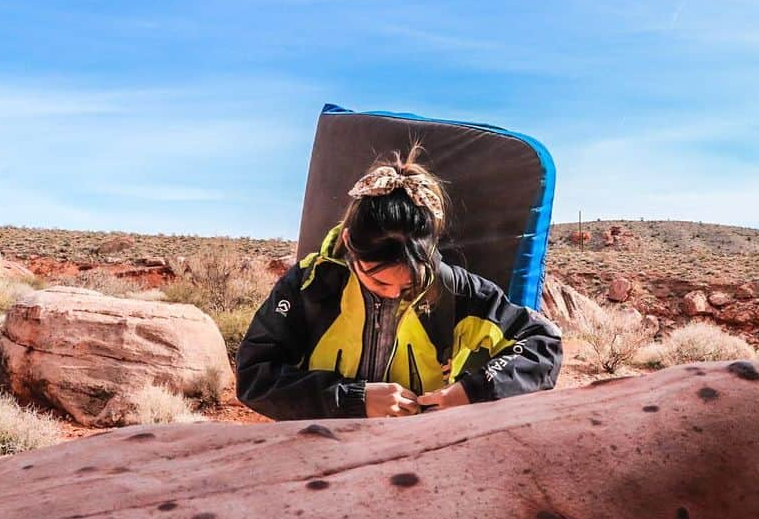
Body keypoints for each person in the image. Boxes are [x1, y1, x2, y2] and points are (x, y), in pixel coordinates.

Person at [235, 145, 562, 420]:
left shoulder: (453, 290)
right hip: (323, 451)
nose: (393, 294)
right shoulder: (309, 285)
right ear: (349, 243)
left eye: (408, 286)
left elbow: (542, 343)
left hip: (419, 455)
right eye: (377, 280)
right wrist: (354, 399)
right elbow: (255, 376)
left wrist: (471, 391)